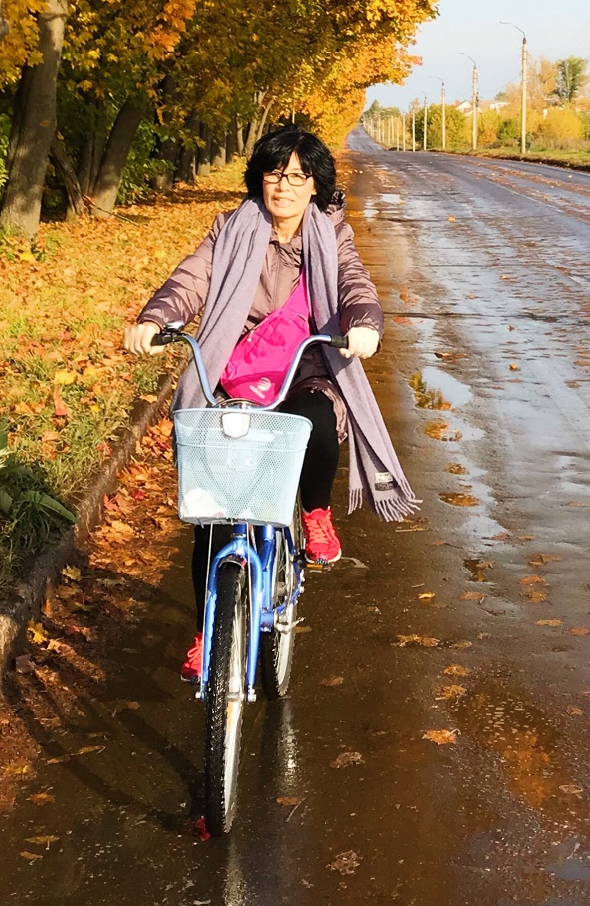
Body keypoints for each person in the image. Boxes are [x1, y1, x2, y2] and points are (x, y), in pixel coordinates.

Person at [125, 124, 417, 680]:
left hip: (308, 361)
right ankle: (206, 629)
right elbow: (193, 279)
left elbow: (355, 285)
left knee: (315, 419)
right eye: (274, 174)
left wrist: (362, 324)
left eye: (297, 177)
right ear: (259, 176)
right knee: (214, 511)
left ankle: (314, 512)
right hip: (234, 365)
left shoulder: (333, 235)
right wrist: (158, 316)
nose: (282, 186)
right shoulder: (231, 229)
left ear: (315, 186)